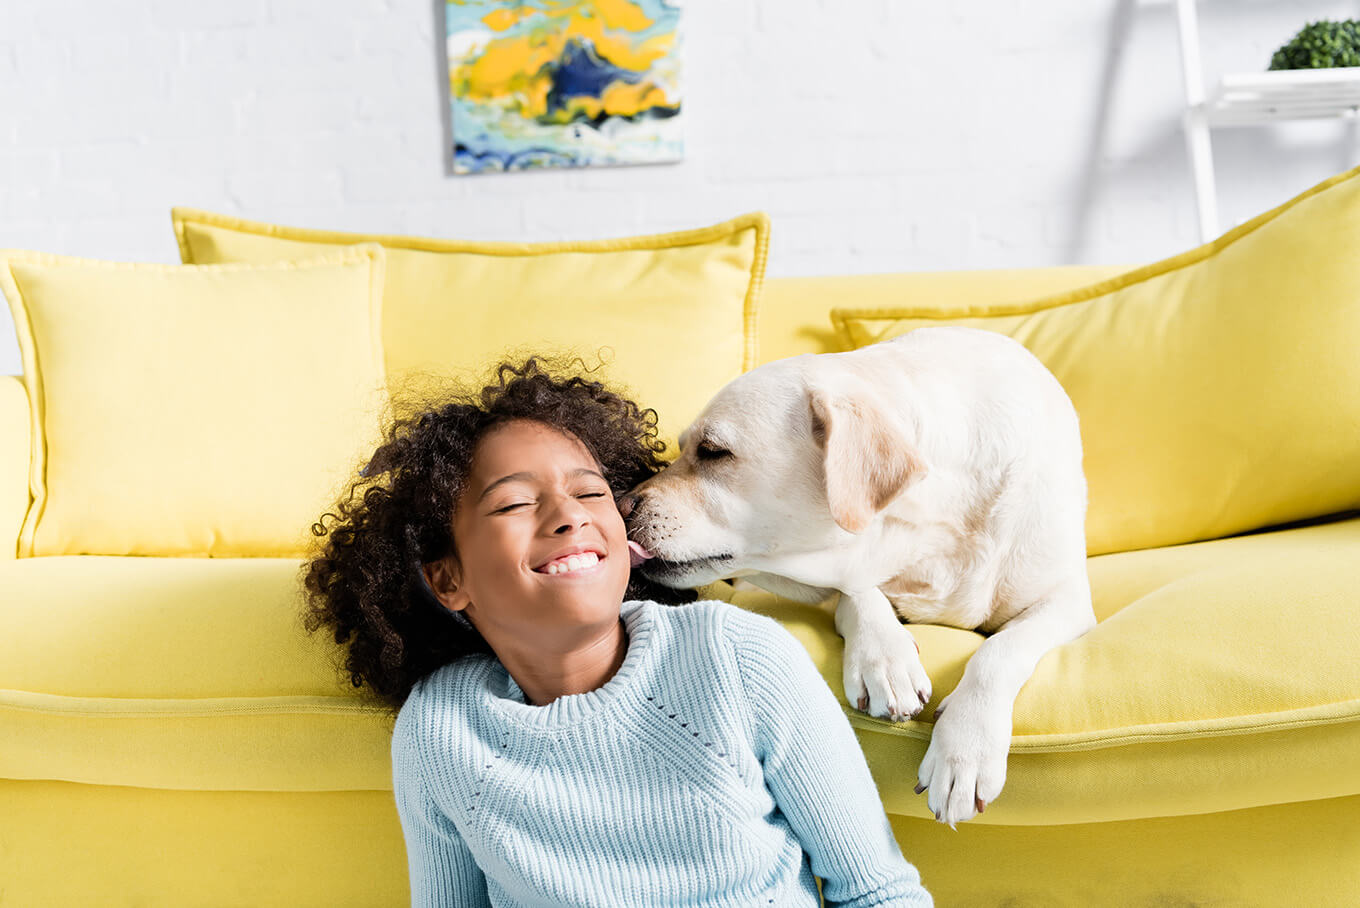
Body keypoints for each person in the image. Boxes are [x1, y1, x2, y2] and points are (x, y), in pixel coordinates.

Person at [300, 355, 934, 907]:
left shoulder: (739, 660)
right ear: (447, 581)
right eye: (516, 503)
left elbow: (879, 892)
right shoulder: (441, 729)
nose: (569, 516)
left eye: (592, 492)